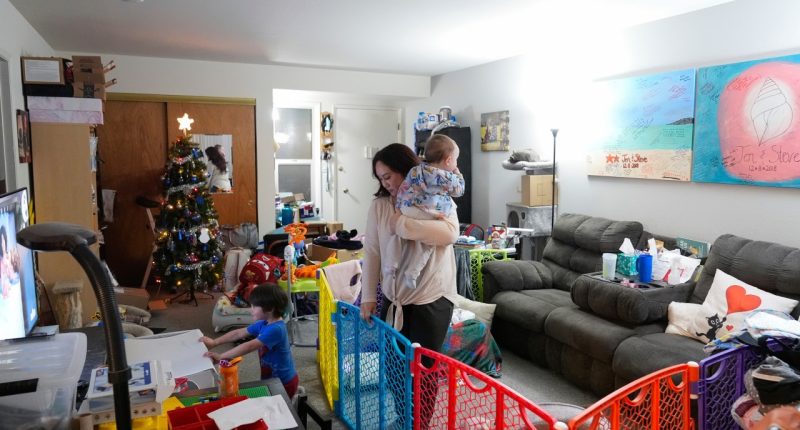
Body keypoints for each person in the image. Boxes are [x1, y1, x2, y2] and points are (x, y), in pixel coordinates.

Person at [359, 143, 459, 428]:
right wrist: (368, 297)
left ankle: (420, 424)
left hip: (431, 298)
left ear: (408, 170)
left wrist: (403, 224)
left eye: (389, 176)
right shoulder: (379, 207)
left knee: (423, 370)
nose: (385, 183)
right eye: (380, 178)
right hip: (395, 299)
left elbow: (449, 234)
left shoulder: (436, 199)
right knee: (393, 366)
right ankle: (405, 419)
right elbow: (373, 253)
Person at [388, 135, 464, 289]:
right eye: (456, 160)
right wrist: (458, 174)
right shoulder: (445, 176)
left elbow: (405, 186)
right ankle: (412, 272)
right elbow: (459, 191)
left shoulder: (417, 169)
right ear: (448, 160)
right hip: (424, 211)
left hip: (407, 208)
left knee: (398, 237)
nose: (456, 163)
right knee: (430, 240)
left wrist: (399, 206)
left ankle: (390, 265)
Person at [199, 283, 299, 397]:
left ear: (270, 308)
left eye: (254, 306)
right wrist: (214, 342)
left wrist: (222, 357)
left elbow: (249, 346)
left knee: (280, 410)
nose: (250, 310)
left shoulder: (277, 329)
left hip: (284, 383)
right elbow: (238, 333)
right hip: (271, 379)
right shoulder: (263, 323)